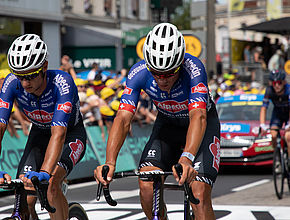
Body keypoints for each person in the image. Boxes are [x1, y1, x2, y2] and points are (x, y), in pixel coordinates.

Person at [94, 23, 220, 220]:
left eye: (169, 73)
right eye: (156, 73)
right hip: (167, 126)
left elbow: (199, 117)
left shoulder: (194, 68)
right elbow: (123, 118)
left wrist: (187, 159)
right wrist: (110, 161)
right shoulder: (138, 73)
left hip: (201, 127)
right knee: (146, 185)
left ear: (180, 63)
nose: (162, 79)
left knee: (199, 194)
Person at [0, 34, 87, 220]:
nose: (25, 83)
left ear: (44, 67)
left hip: (70, 135)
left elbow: (59, 133)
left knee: (51, 186)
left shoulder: (62, 82)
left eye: (30, 76)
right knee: (24, 196)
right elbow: (0, 126)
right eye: (20, 76)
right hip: (39, 134)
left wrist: (45, 173)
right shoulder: (10, 83)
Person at [260, 70, 290, 165]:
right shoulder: (269, 90)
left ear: (284, 82)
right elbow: (264, 108)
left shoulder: (288, 90)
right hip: (277, 114)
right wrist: (262, 125)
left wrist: (289, 125)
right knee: (273, 135)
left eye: (279, 83)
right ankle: (277, 158)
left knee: (288, 136)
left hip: (288, 113)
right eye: (274, 83)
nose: (277, 85)